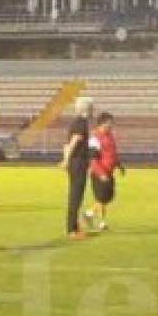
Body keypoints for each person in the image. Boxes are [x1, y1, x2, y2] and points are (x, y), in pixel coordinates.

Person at [61, 96, 94, 239]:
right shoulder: (81, 123)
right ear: (87, 109)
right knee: (76, 196)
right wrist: (66, 160)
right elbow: (74, 142)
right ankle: (72, 230)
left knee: (75, 195)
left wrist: (66, 159)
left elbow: (66, 144)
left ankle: (75, 227)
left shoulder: (76, 122)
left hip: (75, 162)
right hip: (78, 162)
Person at [85, 112, 125, 231]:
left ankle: (102, 223)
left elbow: (112, 153)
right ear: (102, 123)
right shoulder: (95, 138)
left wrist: (119, 164)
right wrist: (100, 173)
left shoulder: (109, 135)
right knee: (102, 198)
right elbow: (93, 159)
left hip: (109, 172)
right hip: (100, 173)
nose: (111, 125)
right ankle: (89, 214)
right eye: (109, 123)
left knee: (106, 198)